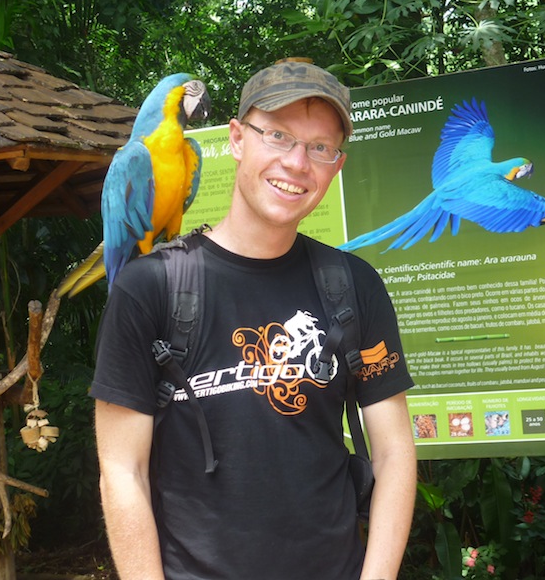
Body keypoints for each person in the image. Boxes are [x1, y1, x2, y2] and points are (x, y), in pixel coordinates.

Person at [91, 59, 417, 580]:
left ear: (337, 165)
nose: (297, 162)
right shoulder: (147, 289)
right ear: (238, 139)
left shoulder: (354, 284)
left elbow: (395, 451)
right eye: (279, 136)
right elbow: (121, 470)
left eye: (319, 147)